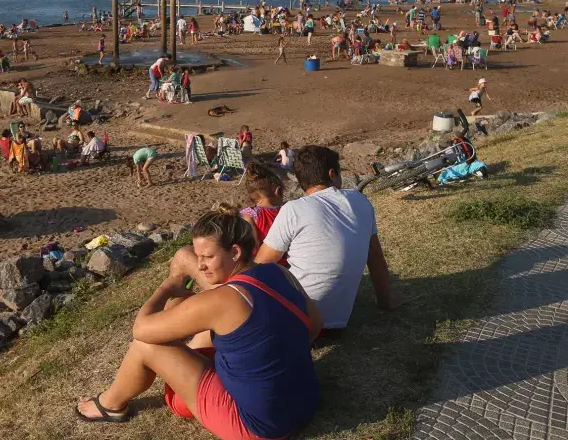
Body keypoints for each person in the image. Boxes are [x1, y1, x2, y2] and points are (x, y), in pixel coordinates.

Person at [75, 206, 322, 440]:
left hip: (259, 429)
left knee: (144, 346)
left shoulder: (224, 300)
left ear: (235, 252)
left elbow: (142, 330)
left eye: (208, 257)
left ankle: (109, 404)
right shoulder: (280, 272)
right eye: (198, 256)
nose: (201, 264)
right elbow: (315, 326)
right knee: (212, 333)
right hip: (304, 403)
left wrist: (167, 286)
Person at [254, 145, 401, 332]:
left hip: (298, 322)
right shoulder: (360, 201)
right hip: (337, 324)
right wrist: (385, 301)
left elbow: (259, 268)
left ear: (301, 181)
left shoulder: (294, 209)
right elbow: (375, 258)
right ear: (333, 174)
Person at [238, 163, 285, 260]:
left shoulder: (249, 214)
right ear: (278, 191)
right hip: (285, 262)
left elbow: (254, 247)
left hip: (261, 262)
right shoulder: (286, 210)